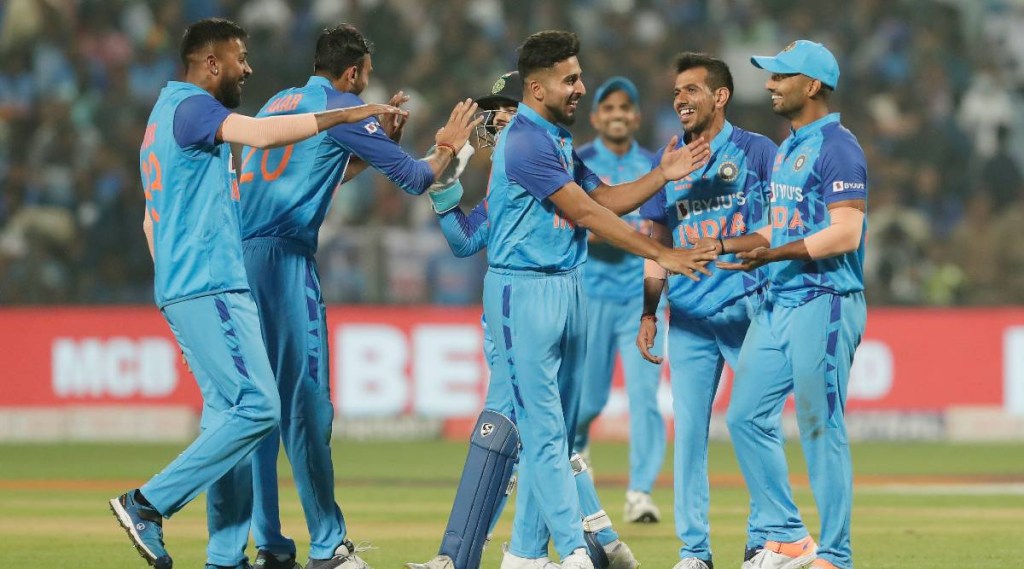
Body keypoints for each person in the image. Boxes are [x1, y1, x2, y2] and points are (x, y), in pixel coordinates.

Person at [108, 18, 407, 569]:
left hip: (185, 286)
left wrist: (173, 292)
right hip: (213, 283)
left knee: (228, 418)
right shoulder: (196, 108)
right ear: (210, 63)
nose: (247, 68)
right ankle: (146, 503)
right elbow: (265, 135)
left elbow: (151, 220)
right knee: (260, 408)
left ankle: (225, 556)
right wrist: (346, 113)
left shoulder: (161, 119)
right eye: (239, 58)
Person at [227, 23, 478, 569]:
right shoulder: (345, 107)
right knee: (308, 406)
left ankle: (271, 545)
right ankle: (328, 548)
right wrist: (447, 146)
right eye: (365, 75)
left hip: (240, 258)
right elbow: (416, 180)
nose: (366, 85)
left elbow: (318, 171)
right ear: (353, 73)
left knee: (261, 408)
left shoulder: (280, 102)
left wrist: (377, 143)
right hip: (284, 261)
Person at [484, 30, 714, 569]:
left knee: (558, 434)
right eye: (571, 79)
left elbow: (604, 197)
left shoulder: (557, 141)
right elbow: (587, 214)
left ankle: (525, 555)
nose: (581, 88)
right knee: (544, 432)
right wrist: (664, 254)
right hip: (525, 290)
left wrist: (661, 175)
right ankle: (574, 551)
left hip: (569, 285)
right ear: (537, 88)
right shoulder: (524, 141)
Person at [408, 70, 643, 569]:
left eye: (504, 111)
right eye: (493, 114)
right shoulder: (506, 183)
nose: (494, 122)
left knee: (508, 429)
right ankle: (580, 541)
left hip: (537, 312)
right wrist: (444, 187)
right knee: (540, 431)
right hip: (512, 315)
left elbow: (595, 210)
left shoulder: (547, 162)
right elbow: (465, 241)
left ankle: (463, 557)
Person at [720, 40, 868, 569]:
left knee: (819, 425)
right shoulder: (788, 147)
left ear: (812, 85)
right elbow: (778, 227)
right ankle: (786, 535)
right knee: (744, 417)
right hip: (778, 301)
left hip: (824, 300)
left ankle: (836, 555)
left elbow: (846, 233)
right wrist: (725, 245)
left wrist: (773, 254)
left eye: (781, 76)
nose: (770, 84)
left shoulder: (838, 147)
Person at [634, 52, 777, 569]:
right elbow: (657, 242)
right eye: (676, 92)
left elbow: (782, 227)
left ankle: (765, 540)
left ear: (720, 96)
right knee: (689, 436)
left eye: (691, 90)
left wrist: (732, 248)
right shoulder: (668, 160)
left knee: (756, 425)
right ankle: (695, 553)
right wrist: (649, 312)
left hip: (748, 309)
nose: (680, 99)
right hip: (689, 318)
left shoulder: (758, 151)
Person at [572, 76, 665, 525]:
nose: (617, 115)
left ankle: (640, 493)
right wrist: (622, 232)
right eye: (608, 108)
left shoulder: (653, 165)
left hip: (640, 297)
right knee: (587, 400)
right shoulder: (579, 162)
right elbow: (574, 221)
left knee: (645, 398)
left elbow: (661, 227)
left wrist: (615, 230)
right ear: (595, 117)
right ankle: (576, 457)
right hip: (590, 294)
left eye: (625, 108)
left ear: (637, 117)